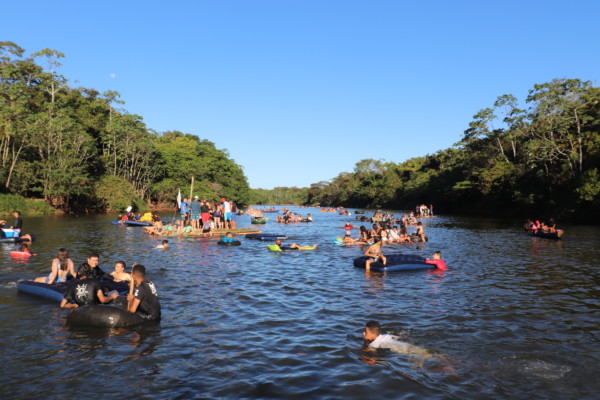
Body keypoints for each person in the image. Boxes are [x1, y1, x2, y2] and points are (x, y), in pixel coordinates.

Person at [363, 321, 432, 358]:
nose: (363, 333)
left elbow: (373, 357)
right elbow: (399, 337)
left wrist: (365, 344)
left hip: (403, 350)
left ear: (372, 336)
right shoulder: (386, 336)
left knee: (423, 357)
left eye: (366, 332)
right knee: (426, 353)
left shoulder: (373, 344)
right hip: (406, 345)